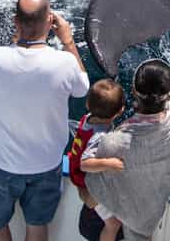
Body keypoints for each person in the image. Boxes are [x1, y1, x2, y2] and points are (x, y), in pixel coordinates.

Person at [0, 0, 89, 241]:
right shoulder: (64, 62)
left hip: (2, 163)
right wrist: (69, 42)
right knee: (37, 227)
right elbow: (83, 88)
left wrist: (15, 40)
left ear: (16, 22)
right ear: (50, 22)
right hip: (46, 165)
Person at [85, 59, 170, 241]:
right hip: (160, 202)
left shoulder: (112, 142)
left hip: (131, 212)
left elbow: (93, 185)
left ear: (133, 91)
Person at [68, 79, 125, 241]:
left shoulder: (87, 118)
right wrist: (110, 163)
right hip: (87, 183)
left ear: (87, 104)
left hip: (77, 174)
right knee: (113, 224)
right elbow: (85, 163)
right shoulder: (100, 136)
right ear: (120, 111)